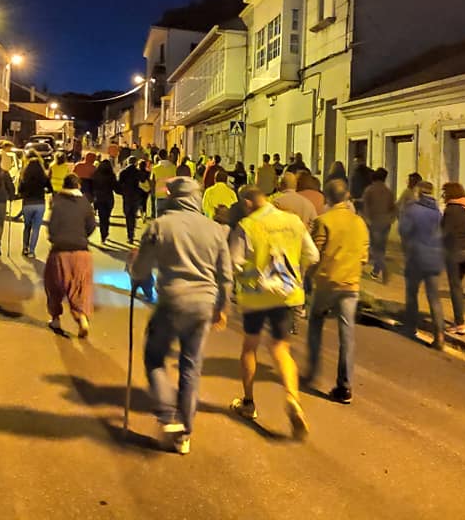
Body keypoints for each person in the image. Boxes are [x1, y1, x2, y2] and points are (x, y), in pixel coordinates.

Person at [129, 177, 232, 455]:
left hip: (172, 302)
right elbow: (225, 275)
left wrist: (134, 268)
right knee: (190, 366)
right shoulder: (214, 229)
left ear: (173, 197)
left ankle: (167, 414)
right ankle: (185, 433)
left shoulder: (160, 225)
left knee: (154, 358)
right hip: (203, 304)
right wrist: (222, 307)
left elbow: (141, 270)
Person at [229, 186, 319, 440]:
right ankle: (292, 397)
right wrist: (295, 272)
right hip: (288, 295)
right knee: (281, 348)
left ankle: (248, 403)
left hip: (256, 297)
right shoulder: (293, 221)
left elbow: (234, 263)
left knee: (250, 347)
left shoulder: (247, 226)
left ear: (248, 203)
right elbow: (313, 255)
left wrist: (246, 279)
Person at [303, 179, 369, 404]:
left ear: (327, 198)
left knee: (315, 323)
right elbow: (364, 257)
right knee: (347, 335)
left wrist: (308, 276)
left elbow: (314, 254)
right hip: (350, 285)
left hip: (327, 283)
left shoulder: (324, 221)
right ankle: (345, 386)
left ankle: (312, 372)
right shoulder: (359, 223)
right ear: (347, 196)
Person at [45, 174, 97, 336]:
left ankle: (55, 318)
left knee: (53, 285)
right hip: (82, 252)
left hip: (60, 251)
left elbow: (52, 228)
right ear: (78, 186)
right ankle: (82, 317)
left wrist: (55, 238)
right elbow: (91, 226)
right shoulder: (85, 203)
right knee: (80, 287)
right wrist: (81, 237)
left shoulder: (58, 203)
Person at [399, 181, 446, 350]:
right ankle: (439, 336)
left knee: (412, 294)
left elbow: (403, 230)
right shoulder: (437, 212)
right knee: (434, 297)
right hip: (434, 258)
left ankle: (410, 327)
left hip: (416, 258)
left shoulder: (412, 210)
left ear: (419, 192)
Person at [441, 182, 465, 335]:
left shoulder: (450, 210)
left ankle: (460, 324)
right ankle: (463, 314)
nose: (443, 196)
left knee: (455, 287)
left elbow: (444, 232)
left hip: (454, 252)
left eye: (444, 193)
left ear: (450, 193)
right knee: (458, 285)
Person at [362, 168, 396, 281]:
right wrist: (391, 219)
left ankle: (380, 268)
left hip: (374, 222)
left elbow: (366, 207)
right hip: (385, 223)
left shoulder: (369, 190)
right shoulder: (388, 191)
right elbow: (393, 208)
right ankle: (377, 269)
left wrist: (367, 220)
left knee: (375, 248)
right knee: (381, 247)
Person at [18, 151, 52, 258]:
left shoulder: (24, 176)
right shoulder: (43, 176)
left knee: (27, 227)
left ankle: (25, 248)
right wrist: (44, 189)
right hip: (40, 204)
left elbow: (19, 190)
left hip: (27, 204)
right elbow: (50, 189)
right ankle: (32, 251)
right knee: (36, 228)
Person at [91, 159, 118, 243]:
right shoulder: (111, 175)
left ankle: (103, 234)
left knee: (102, 217)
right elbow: (115, 187)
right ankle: (105, 232)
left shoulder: (96, 174)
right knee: (107, 217)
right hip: (109, 198)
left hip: (99, 198)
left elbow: (92, 186)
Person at [119, 159, 145, 243]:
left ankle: (129, 235)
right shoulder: (137, 172)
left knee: (127, 215)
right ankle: (132, 234)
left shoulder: (123, 172)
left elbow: (119, 184)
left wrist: (122, 192)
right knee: (133, 215)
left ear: (128, 162)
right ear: (135, 163)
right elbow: (143, 180)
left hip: (127, 196)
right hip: (135, 196)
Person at [151, 148, 178, 217]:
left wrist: (153, 192)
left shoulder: (155, 168)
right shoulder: (173, 167)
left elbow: (153, 182)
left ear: (159, 156)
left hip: (159, 195)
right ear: (167, 155)